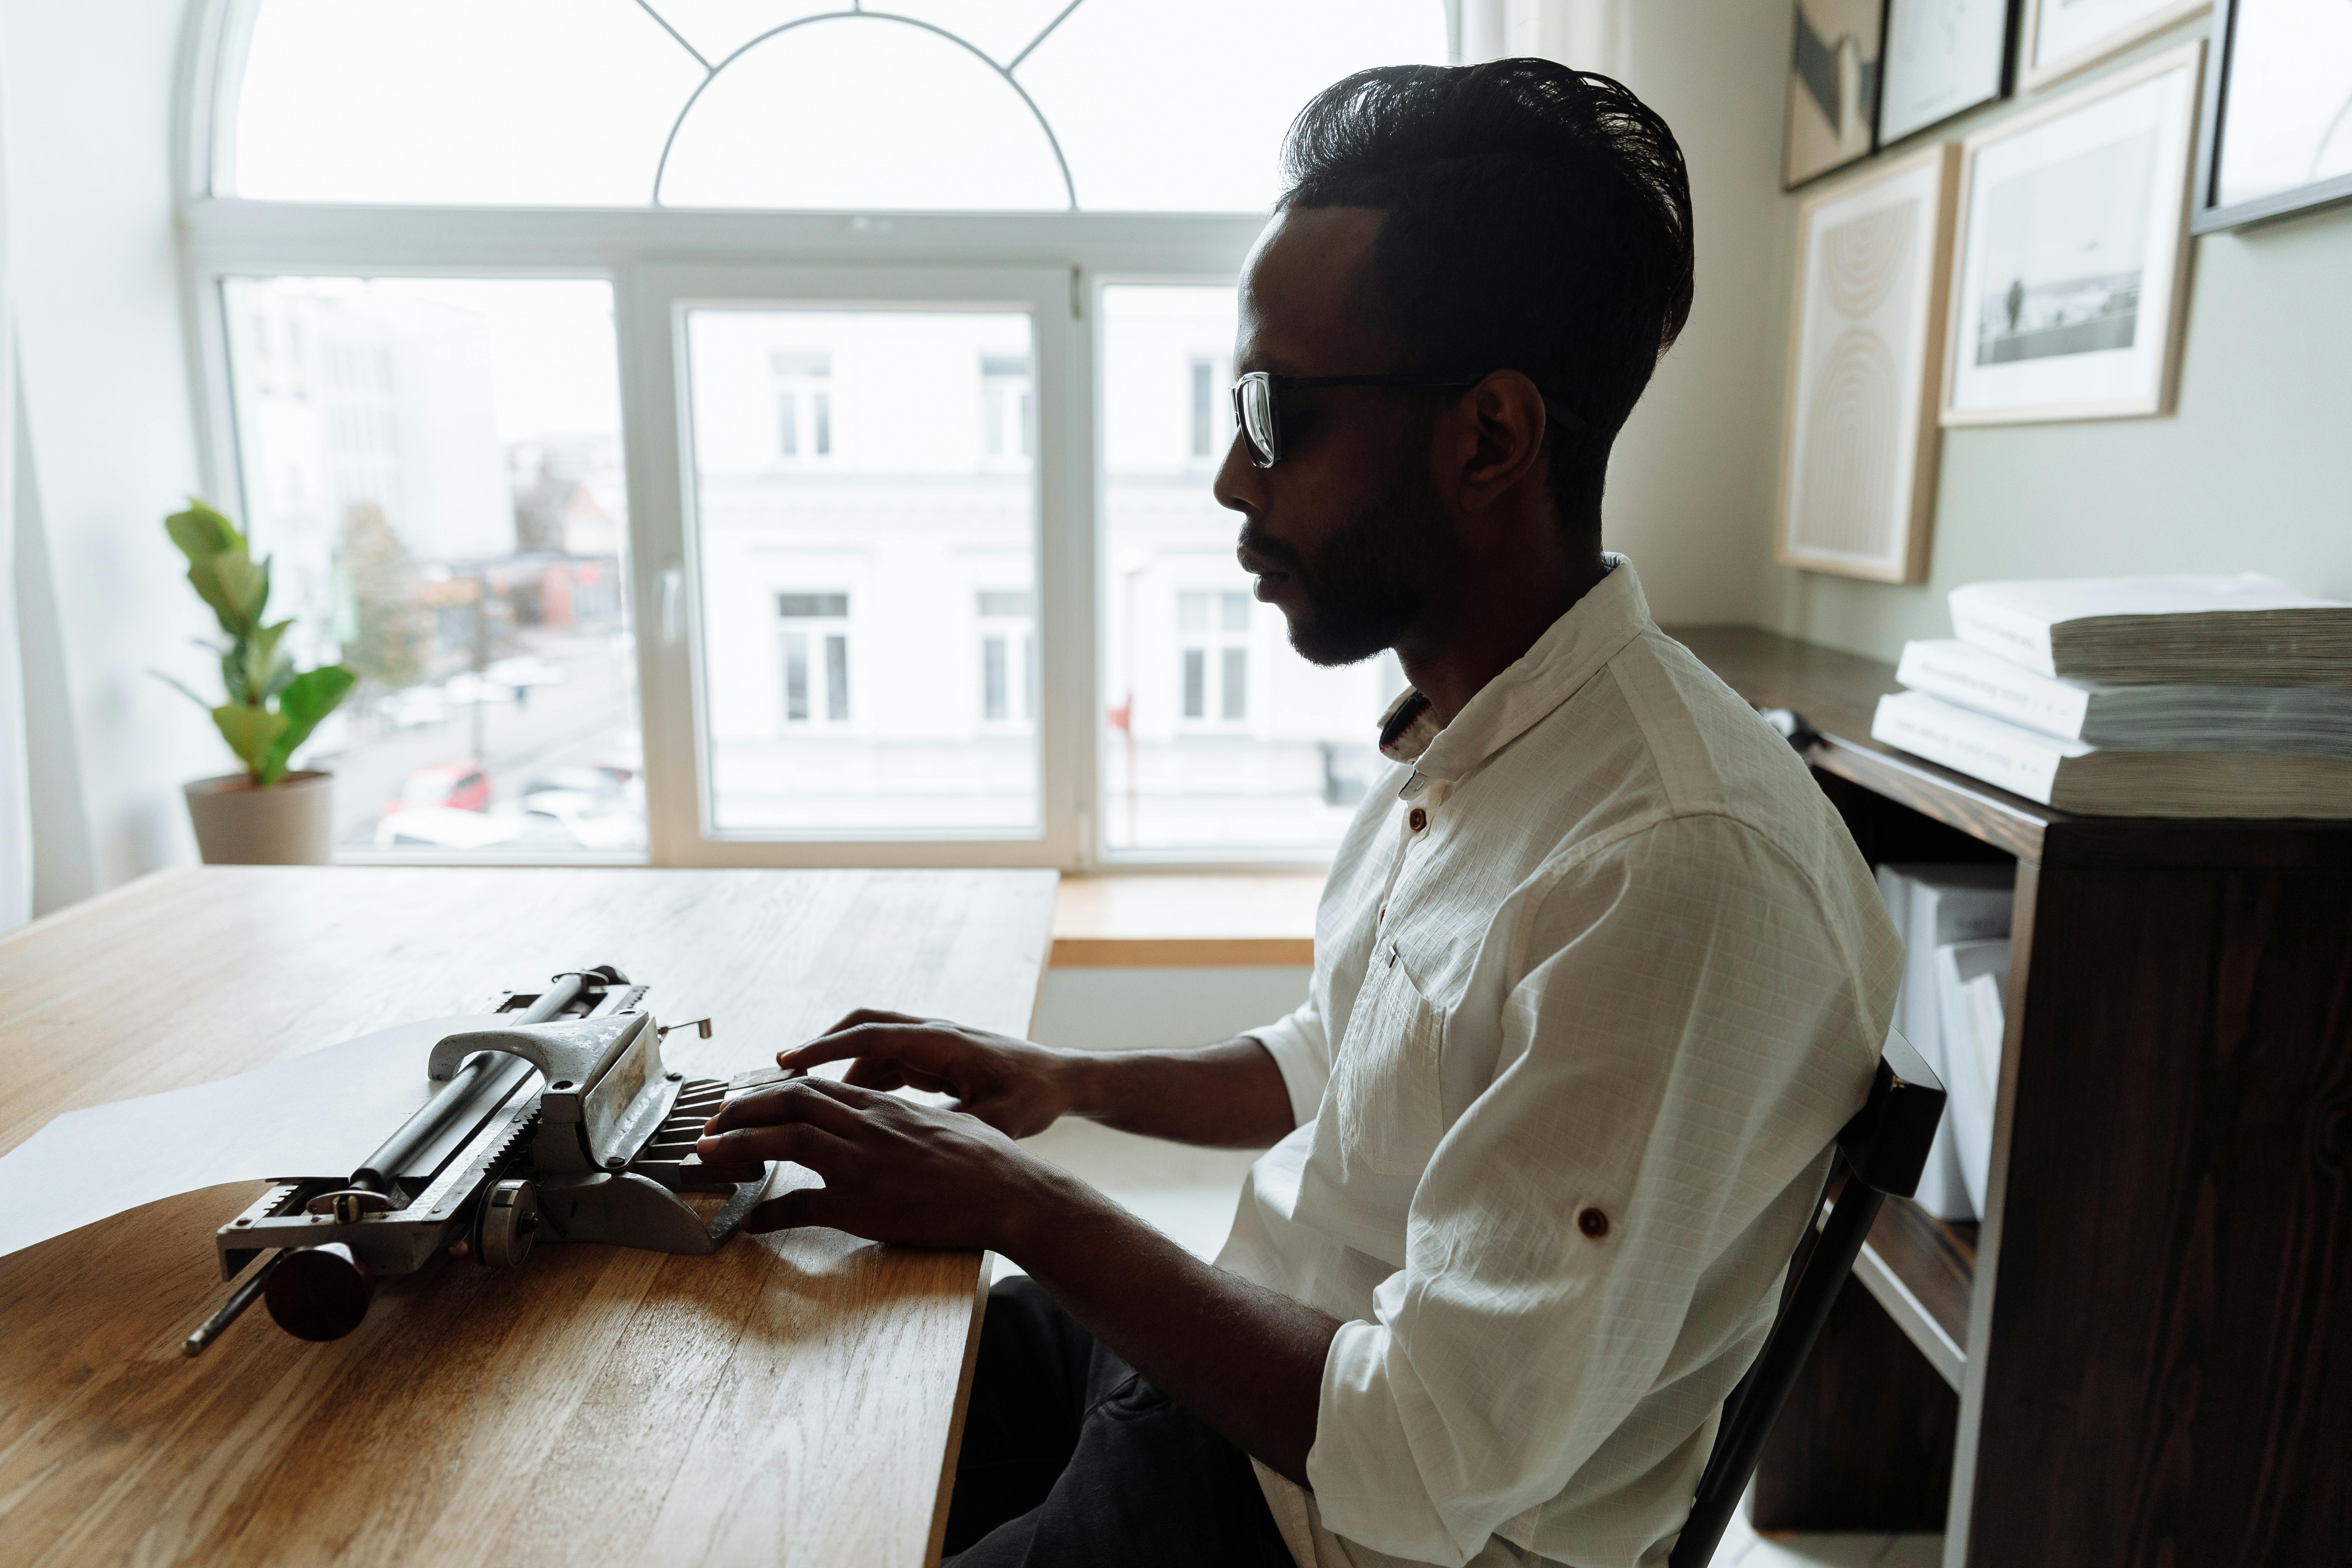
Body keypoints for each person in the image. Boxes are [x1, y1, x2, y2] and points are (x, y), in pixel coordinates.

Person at [697, 59, 1900, 1568]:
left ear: (1487, 438)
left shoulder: (1670, 869)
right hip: (1232, 1385)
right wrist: (1058, 1081)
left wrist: (1019, 1200)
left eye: (1277, 414)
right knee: (795, 1357)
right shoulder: (1490, 738)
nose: (1226, 478)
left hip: (1328, 1526)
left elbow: (1422, 1458)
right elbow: (1341, 1059)